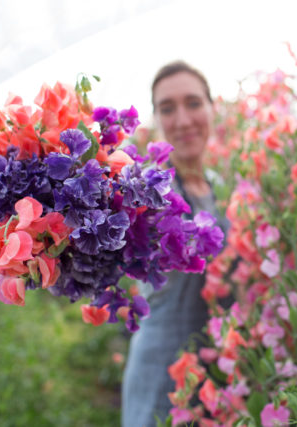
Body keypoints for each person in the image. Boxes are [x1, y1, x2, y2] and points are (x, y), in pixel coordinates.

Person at [121, 61, 228, 426]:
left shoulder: (221, 187)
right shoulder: (147, 191)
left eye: (193, 103)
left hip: (218, 372)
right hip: (161, 373)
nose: (182, 120)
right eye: (168, 108)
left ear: (213, 108)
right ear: (156, 119)